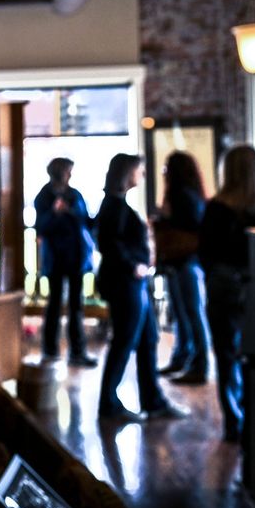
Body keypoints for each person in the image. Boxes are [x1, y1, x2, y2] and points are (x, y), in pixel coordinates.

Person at [199, 145, 255, 442]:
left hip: (223, 287)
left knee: (227, 357)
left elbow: (206, 254)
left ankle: (233, 422)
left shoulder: (216, 209)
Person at [96, 154, 187, 423]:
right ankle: (109, 403)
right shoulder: (113, 206)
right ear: (127, 174)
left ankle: (153, 400)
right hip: (125, 284)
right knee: (124, 341)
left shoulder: (118, 204)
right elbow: (107, 243)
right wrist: (132, 265)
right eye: (139, 170)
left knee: (148, 339)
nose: (143, 174)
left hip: (134, 284)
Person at [33, 158, 97, 367]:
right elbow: (41, 226)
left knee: (76, 305)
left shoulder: (75, 194)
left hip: (76, 256)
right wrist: (55, 212)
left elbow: (85, 220)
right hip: (56, 257)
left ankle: (77, 351)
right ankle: (50, 350)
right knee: (54, 304)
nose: (70, 175)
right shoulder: (44, 197)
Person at [154, 151, 210, 384]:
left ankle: (198, 364)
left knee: (191, 314)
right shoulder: (191, 194)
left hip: (184, 261)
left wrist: (162, 222)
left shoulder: (181, 196)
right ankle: (186, 359)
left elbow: (190, 227)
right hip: (186, 261)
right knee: (185, 314)